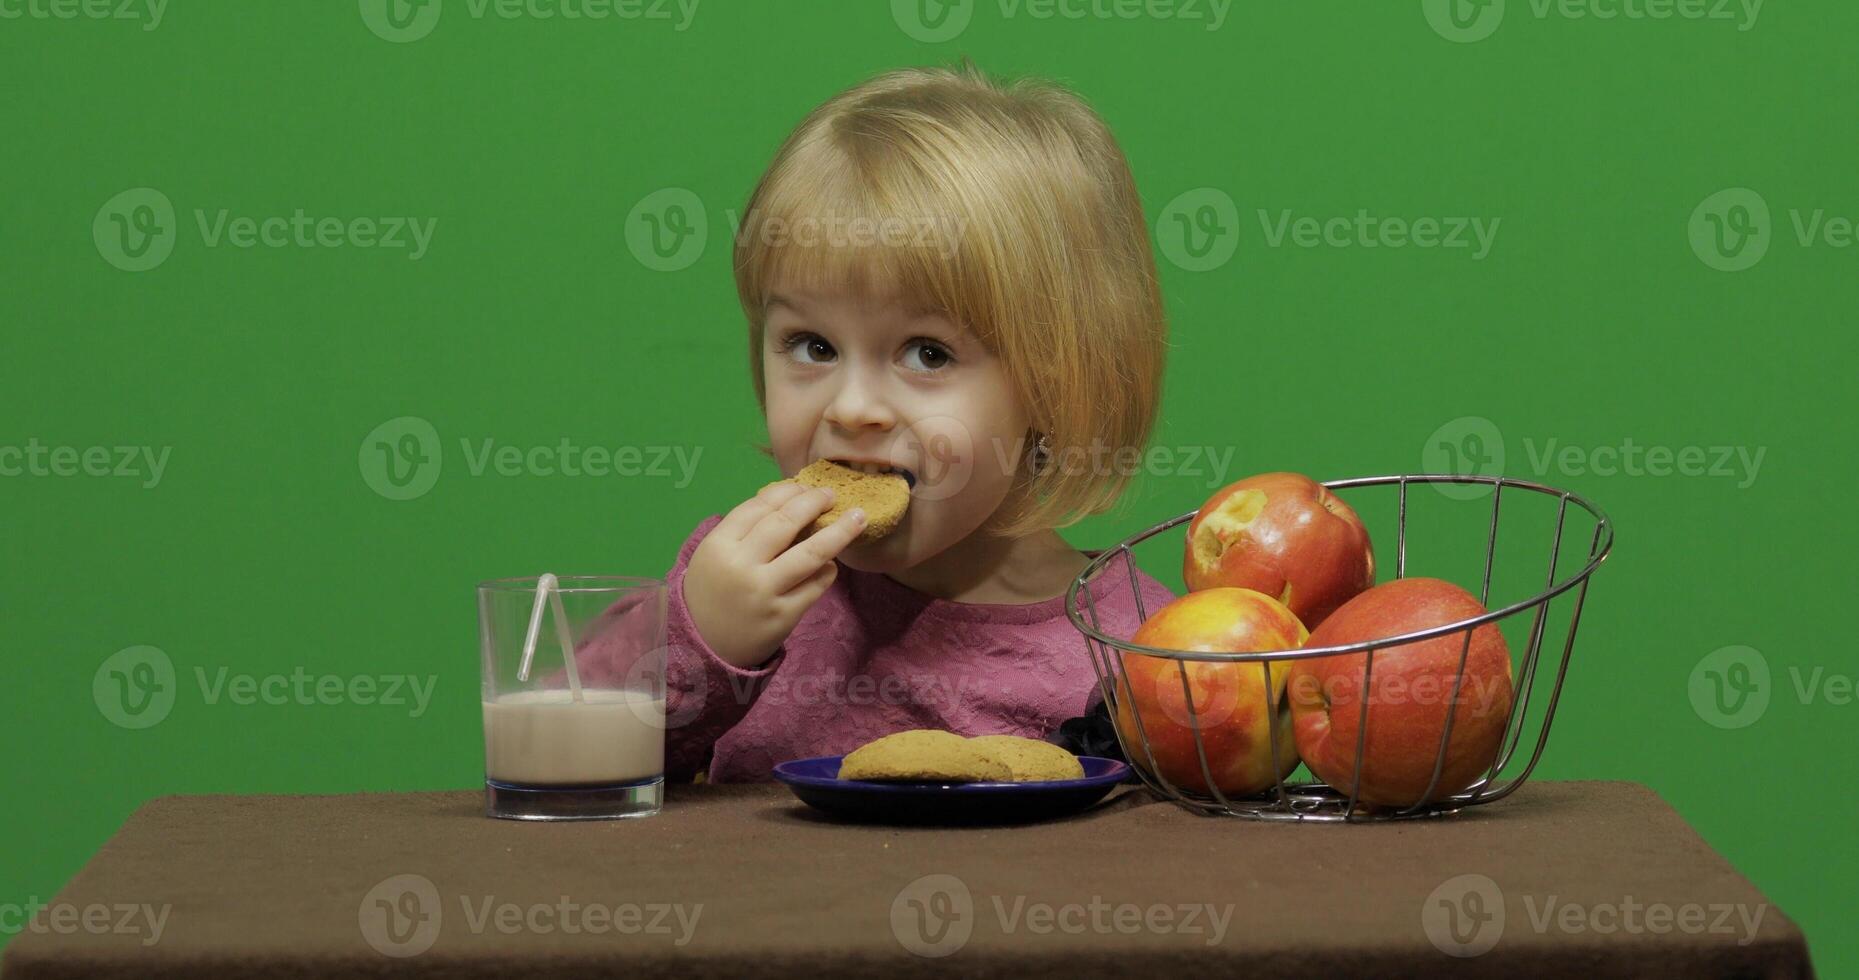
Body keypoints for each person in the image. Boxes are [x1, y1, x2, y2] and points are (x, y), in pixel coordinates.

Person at [576, 61, 1172, 782]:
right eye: (813, 347)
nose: (852, 407)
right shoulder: (741, 579)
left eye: (927, 353)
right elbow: (552, 767)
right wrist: (698, 639)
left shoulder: (1142, 651)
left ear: (1056, 380)